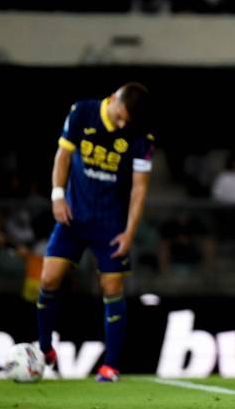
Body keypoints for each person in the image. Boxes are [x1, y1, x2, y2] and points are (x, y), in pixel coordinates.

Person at [37, 82, 154, 382]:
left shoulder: (141, 135)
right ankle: (45, 348)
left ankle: (110, 366)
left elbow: (139, 189)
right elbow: (63, 156)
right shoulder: (82, 112)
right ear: (113, 99)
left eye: (128, 120)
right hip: (73, 217)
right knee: (48, 279)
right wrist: (58, 196)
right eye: (121, 116)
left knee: (112, 288)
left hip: (110, 224)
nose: (123, 124)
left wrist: (129, 232)